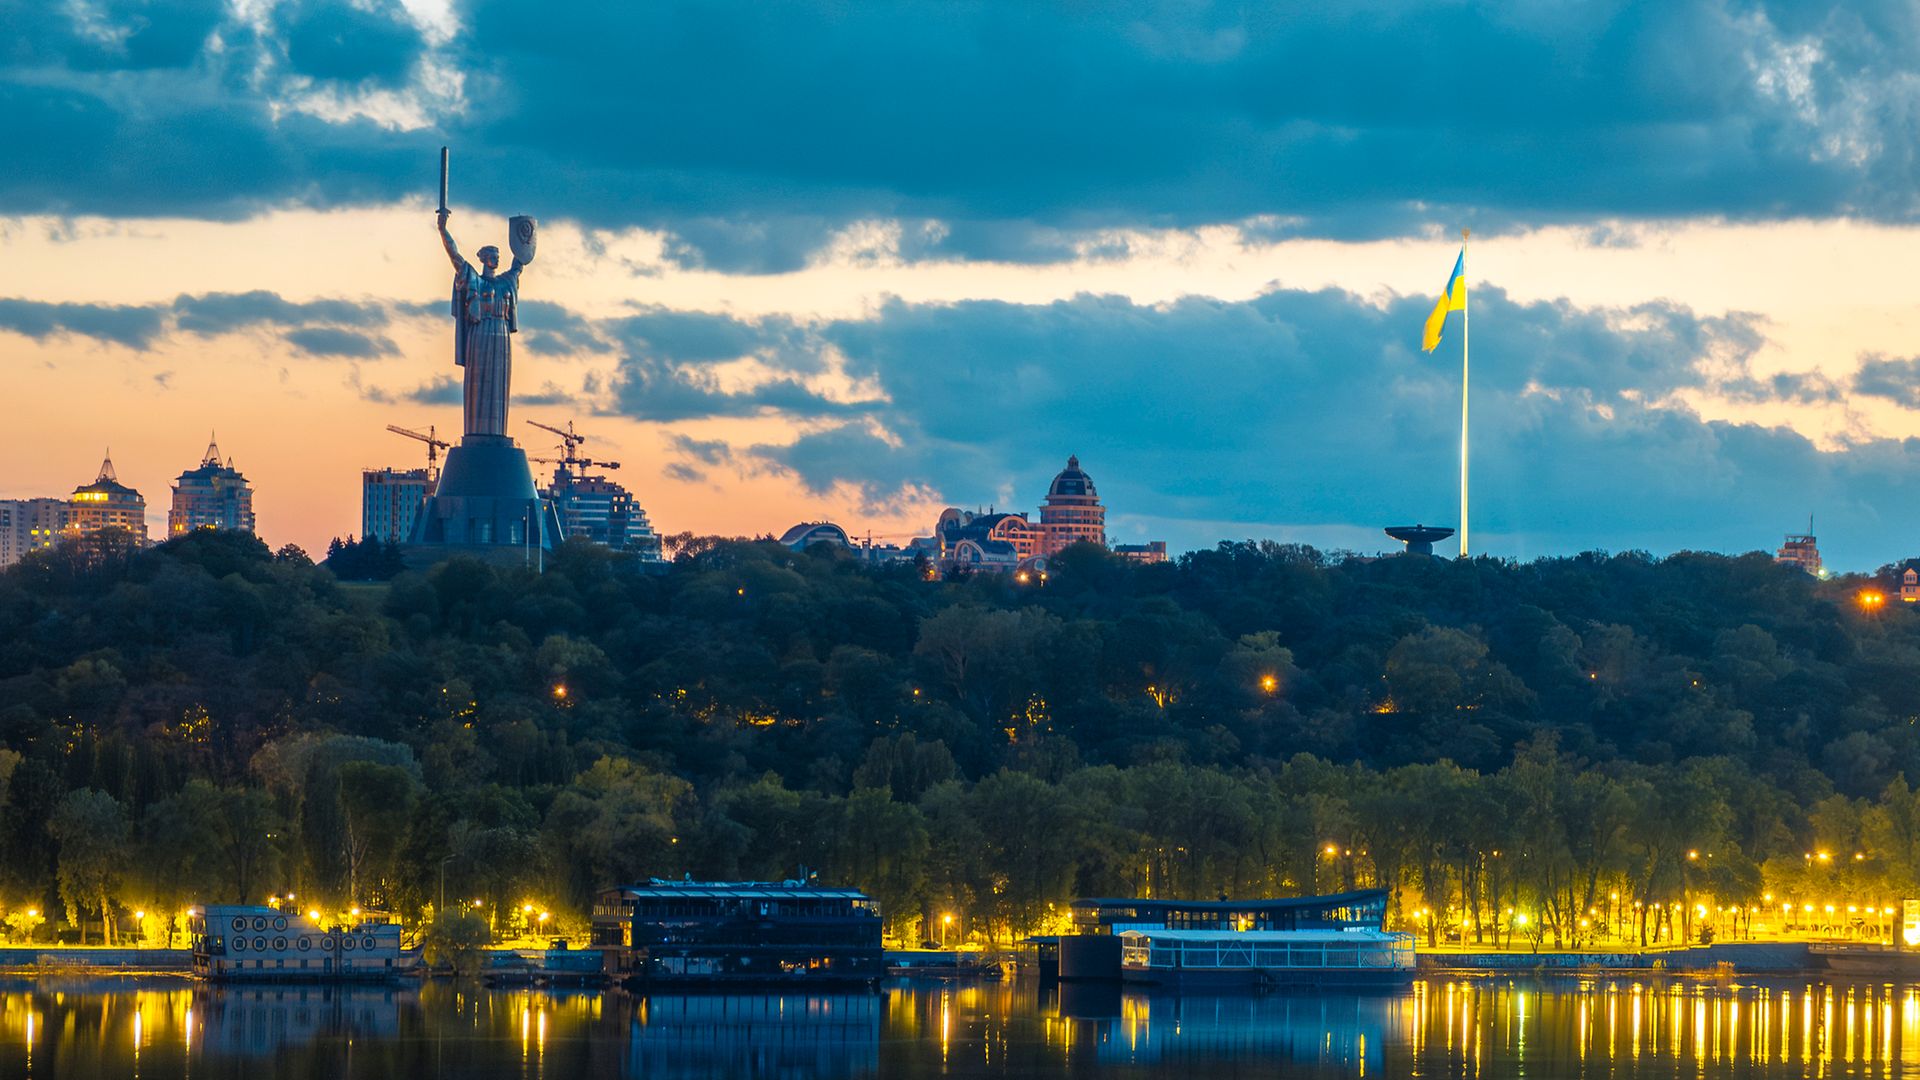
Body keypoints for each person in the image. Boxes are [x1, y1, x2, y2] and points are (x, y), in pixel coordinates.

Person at [437, 208, 527, 437]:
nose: (497, 258)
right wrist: (443, 230)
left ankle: (497, 434)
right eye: (493, 255)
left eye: (498, 255)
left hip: (501, 334)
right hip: (480, 333)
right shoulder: (475, 280)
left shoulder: (506, 282)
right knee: (479, 383)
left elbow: (520, 263)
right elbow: (455, 257)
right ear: (484, 258)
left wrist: (524, 238)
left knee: (499, 385)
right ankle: (476, 433)